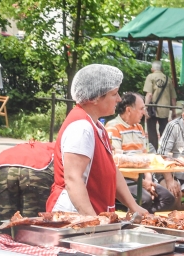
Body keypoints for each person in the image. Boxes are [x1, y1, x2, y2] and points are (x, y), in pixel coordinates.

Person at [46, 64, 151, 218]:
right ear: (94, 98)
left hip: (88, 214)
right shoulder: (81, 127)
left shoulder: (96, 125)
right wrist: (92, 221)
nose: (119, 99)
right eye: (114, 94)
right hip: (73, 215)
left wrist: (134, 206)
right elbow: (73, 179)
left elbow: (112, 170)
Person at [105, 92, 175, 212]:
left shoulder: (139, 127)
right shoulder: (113, 127)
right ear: (129, 110)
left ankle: (143, 216)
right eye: (141, 109)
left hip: (141, 176)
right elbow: (117, 162)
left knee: (168, 198)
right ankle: (134, 216)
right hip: (123, 178)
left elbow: (145, 157)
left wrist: (148, 179)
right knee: (145, 200)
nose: (144, 112)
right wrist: (143, 183)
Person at [142, 60, 175, 147]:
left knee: (152, 130)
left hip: (152, 108)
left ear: (152, 69)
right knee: (164, 131)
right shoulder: (168, 79)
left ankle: (153, 149)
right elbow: (173, 97)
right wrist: (174, 111)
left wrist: (145, 107)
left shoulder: (150, 77)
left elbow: (149, 94)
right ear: (162, 69)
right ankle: (164, 149)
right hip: (165, 109)